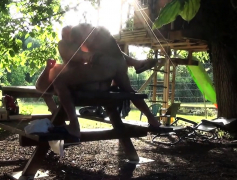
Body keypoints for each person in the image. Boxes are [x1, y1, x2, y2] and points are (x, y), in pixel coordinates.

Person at [36, 24, 169, 141]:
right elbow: (41, 86)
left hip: (101, 77)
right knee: (128, 90)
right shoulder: (68, 57)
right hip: (112, 70)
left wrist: (85, 56)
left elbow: (80, 54)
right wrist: (49, 68)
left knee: (61, 79)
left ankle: (74, 126)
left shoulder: (83, 55)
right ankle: (153, 119)